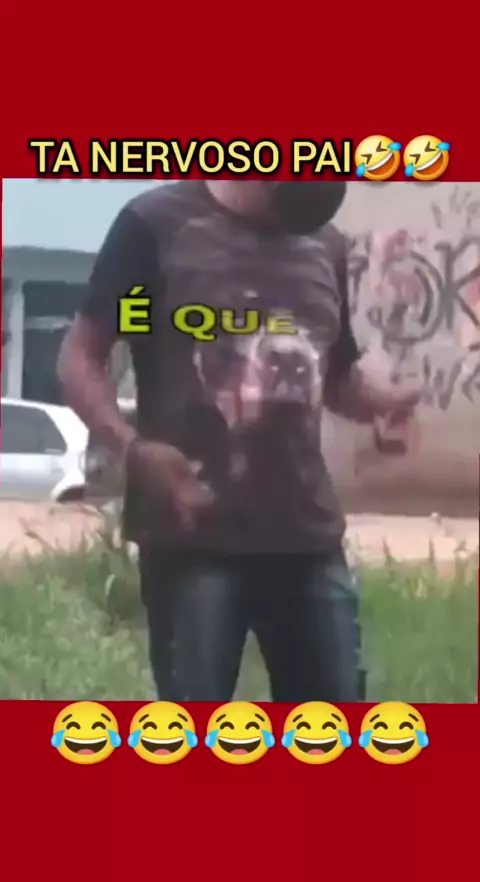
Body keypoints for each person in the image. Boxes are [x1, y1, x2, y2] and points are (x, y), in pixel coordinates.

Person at [58, 181, 420, 704]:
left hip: (307, 540)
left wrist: (381, 407)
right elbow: (80, 357)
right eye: (281, 218)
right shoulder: (153, 226)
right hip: (193, 541)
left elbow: (334, 375)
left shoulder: (326, 244)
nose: (290, 237)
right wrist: (133, 450)